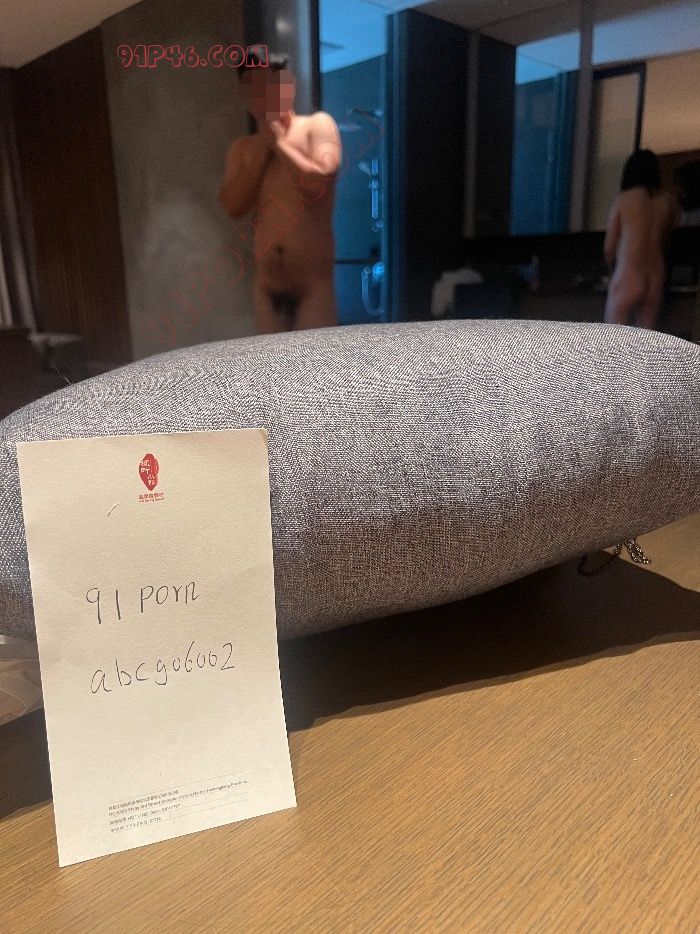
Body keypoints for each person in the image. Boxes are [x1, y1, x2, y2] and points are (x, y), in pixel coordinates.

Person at [219, 53, 341, 333]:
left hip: (312, 287)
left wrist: (280, 146)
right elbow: (232, 206)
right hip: (266, 286)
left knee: (315, 359)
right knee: (270, 361)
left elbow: (319, 184)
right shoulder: (242, 149)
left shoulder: (317, 125)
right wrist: (264, 148)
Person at [603, 149, 680, 329]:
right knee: (645, 340)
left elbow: (609, 247)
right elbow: (665, 239)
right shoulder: (668, 202)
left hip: (628, 273)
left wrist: (611, 269)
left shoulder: (624, 199)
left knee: (611, 338)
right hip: (655, 276)